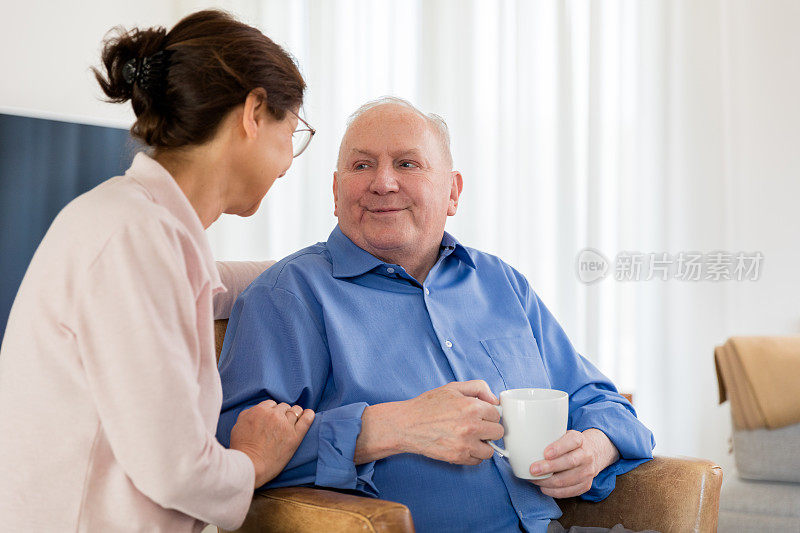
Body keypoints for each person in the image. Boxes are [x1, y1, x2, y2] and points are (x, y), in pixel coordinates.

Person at [215, 97, 656, 533]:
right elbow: (229, 456)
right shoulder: (287, 296)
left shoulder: (501, 283)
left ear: (452, 192)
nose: (383, 183)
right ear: (335, 191)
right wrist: (388, 428)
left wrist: (595, 449)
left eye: (407, 164)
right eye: (362, 165)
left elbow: (602, 402)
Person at [0, 10, 316, 532]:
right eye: (294, 130)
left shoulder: (144, 227)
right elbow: (177, 471)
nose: (289, 159)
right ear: (254, 111)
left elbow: (210, 284)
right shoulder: (132, 235)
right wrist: (255, 460)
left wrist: (316, 268)